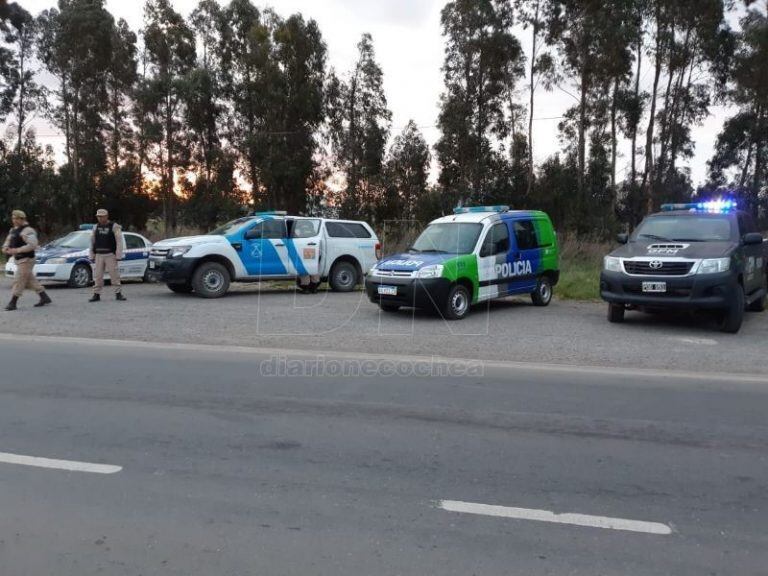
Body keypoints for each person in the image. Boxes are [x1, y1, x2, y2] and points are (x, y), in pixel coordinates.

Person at [2, 210, 52, 311]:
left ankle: (13, 302)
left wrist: (16, 250)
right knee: (29, 280)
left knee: (19, 279)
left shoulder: (28, 231)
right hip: (18, 259)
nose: (14, 220)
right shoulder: (13, 230)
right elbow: (8, 241)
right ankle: (44, 297)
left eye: (16, 218)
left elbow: (33, 245)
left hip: (27, 259)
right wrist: (5, 248)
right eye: (13, 218)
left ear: (22, 219)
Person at [89, 208, 126, 302]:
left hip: (110, 254)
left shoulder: (114, 226)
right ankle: (96, 294)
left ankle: (118, 293)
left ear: (106, 216)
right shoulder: (95, 227)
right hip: (99, 254)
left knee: (114, 275)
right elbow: (92, 242)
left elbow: (119, 241)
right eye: (98, 217)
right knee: (97, 275)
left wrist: (118, 255)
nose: (100, 218)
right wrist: (91, 254)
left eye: (101, 216)